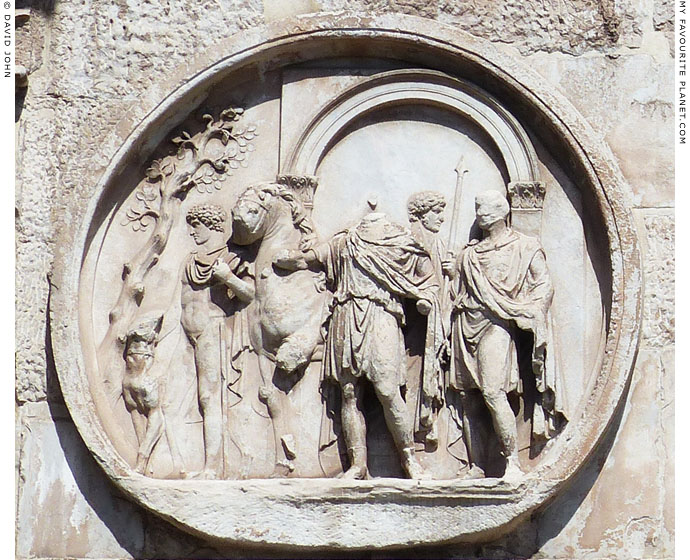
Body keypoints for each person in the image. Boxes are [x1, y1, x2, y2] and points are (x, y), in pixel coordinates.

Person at [274, 208, 440, 479]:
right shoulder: (346, 241)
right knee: (349, 392)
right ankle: (357, 464)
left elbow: (429, 279)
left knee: (387, 390)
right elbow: (309, 259)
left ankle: (410, 460)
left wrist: (426, 298)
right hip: (347, 315)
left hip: (381, 314)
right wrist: (285, 257)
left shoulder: (400, 242)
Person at [446, 190, 566, 479]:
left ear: (501, 212)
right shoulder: (469, 253)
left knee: (493, 391)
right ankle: (476, 465)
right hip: (466, 322)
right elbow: (455, 294)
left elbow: (544, 284)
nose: (480, 213)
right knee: (468, 398)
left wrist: (532, 311)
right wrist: (452, 273)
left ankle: (512, 461)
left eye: (484, 208)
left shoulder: (524, 247)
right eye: (477, 208)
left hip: (497, 324)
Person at [181, 204, 254, 478]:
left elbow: (250, 294)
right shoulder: (189, 259)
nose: (191, 232)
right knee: (189, 398)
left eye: (196, 225)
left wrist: (228, 278)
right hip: (187, 334)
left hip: (213, 330)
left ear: (211, 226)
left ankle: (212, 467)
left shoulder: (230, 258)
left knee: (209, 397)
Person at [406, 191, 450, 446]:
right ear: (421, 215)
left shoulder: (439, 244)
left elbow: (446, 289)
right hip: (411, 325)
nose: (442, 218)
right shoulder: (409, 242)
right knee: (410, 374)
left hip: (433, 322)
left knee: (427, 372)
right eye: (436, 212)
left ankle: (425, 424)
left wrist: (452, 273)